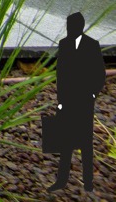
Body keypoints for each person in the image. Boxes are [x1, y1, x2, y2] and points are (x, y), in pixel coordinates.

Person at [53, 11, 105, 191]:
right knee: (66, 141)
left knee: (85, 141)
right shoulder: (64, 44)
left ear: (80, 26)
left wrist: (92, 95)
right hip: (67, 100)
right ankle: (61, 180)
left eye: (72, 26)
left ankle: (88, 181)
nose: (69, 29)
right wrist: (60, 100)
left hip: (84, 100)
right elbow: (61, 74)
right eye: (68, 26)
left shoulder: (92, 45)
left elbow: (100, 73)